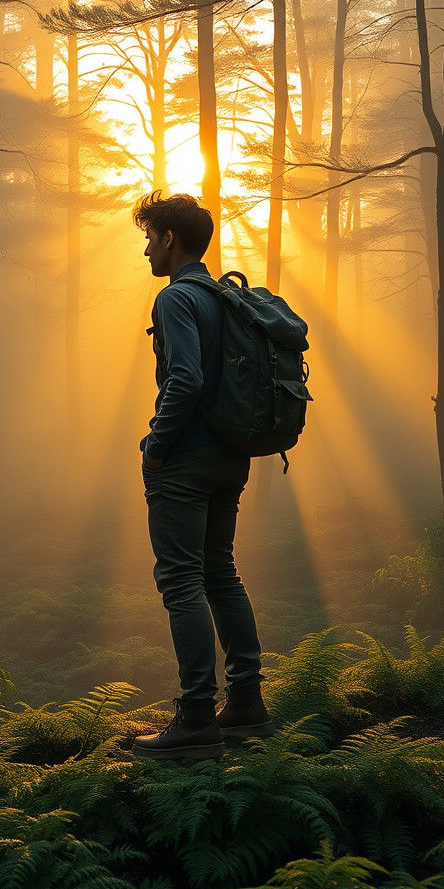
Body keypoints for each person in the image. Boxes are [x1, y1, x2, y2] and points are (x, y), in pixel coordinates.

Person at [132, 190, 274, 761]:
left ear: (170, 239)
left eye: (149, 237)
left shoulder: (176, 299)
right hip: (230, 457)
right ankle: (245, 705)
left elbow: (184, 381)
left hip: (186, 460)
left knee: (182, 581)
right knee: (220, 573)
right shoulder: (225, 297)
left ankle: (194, 717)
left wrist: (155, 446)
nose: (145, 250)